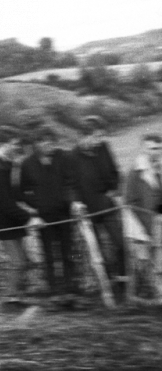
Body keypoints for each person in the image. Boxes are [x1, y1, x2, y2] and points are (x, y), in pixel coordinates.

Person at [69, 115, 127, 299]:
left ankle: (123, 281)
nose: (99, 140)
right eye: (96, 137)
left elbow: (114, 172)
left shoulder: (104, 148)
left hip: (108, 206)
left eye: (101, 136)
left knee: (121, 244)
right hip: (88, 211)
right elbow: (70, 185)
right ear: (84, 137)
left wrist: (114, 190)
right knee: (98, 251)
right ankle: (107, 284)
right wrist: (76, 202)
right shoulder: (72, 156)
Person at [20, 125, 80, 298]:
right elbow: (22, 191)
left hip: (64, 214)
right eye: (46, 142)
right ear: (37, 144)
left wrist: (72, 201)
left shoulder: (64, 157)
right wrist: (37, 205)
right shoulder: (27, 164)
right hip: (43, 217)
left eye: (53, 142)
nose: (51, 146)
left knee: (69, 250)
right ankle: (53, 288)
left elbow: (71, 182)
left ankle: (71, 285)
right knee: (48, 253)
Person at [0, 126, 32, 305]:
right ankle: (10, 298)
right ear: (2, 144)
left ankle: (17, 295)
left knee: (24, 261)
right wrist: (28, 217)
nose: (16, 147)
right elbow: (5, 202)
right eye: (13, 144)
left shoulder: (7, 165)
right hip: (5, 224)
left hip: (13, 221)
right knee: (18, 262)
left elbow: (15, 194)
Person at [124, 133, 162, 297]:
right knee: (146, 260)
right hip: (141, 223)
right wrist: (144, 227)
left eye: (159, 148)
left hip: (158, 219)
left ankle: (156, 290)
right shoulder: (136, 172)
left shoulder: (159, 167)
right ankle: (149, 292)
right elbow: (129, 202)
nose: (156, 152)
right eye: (152, 148)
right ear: (144, 149)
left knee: (159, 257)